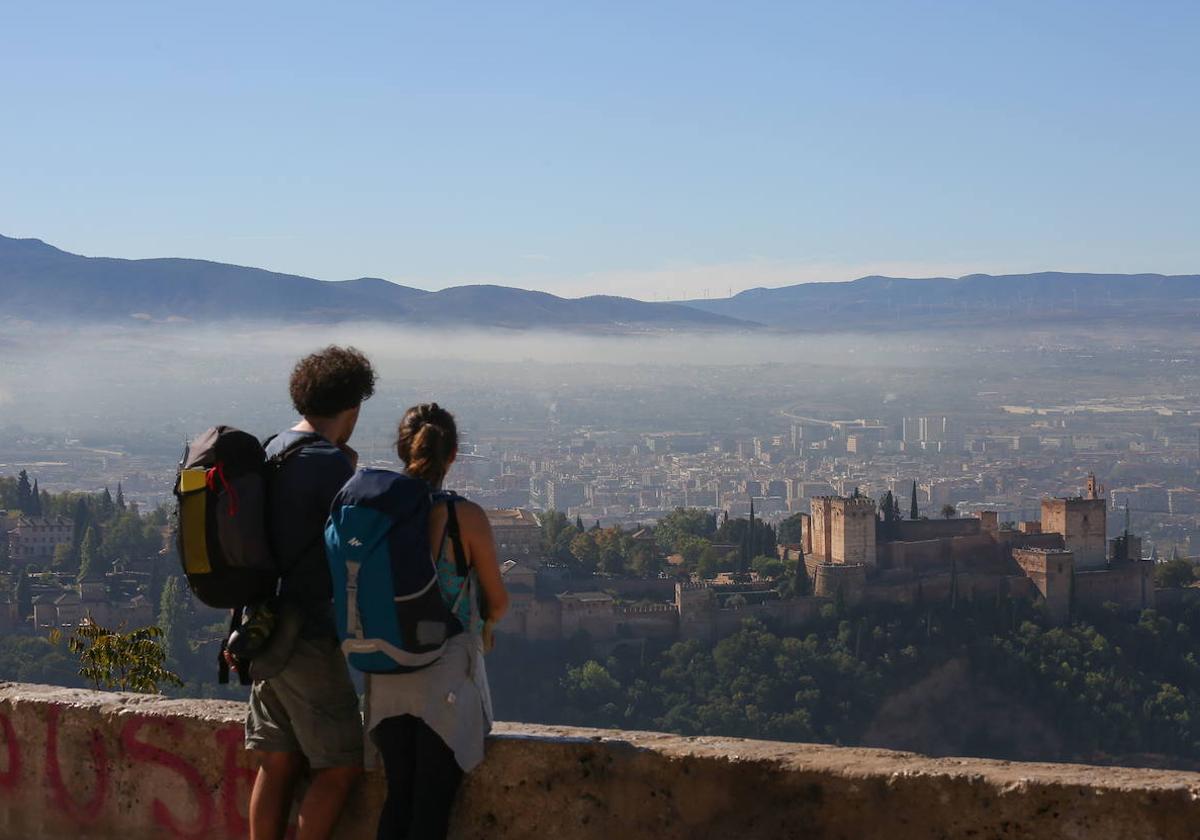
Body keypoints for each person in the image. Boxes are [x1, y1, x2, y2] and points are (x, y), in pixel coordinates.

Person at [243, 345, 376, 840]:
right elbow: (356, 553)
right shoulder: (330, 466)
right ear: (354, 406)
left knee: (276, 764)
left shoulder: (272, 449)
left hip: (262, 629)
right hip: (307, 634)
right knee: (341, 765)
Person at [367, 403, 509, 840]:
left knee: (398, 800)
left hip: (385, 672)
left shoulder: (376, 512)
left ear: (401, 450)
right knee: (430, 808)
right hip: (443, 679)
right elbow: (497, 602)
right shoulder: (463, 517)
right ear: (453, 455)